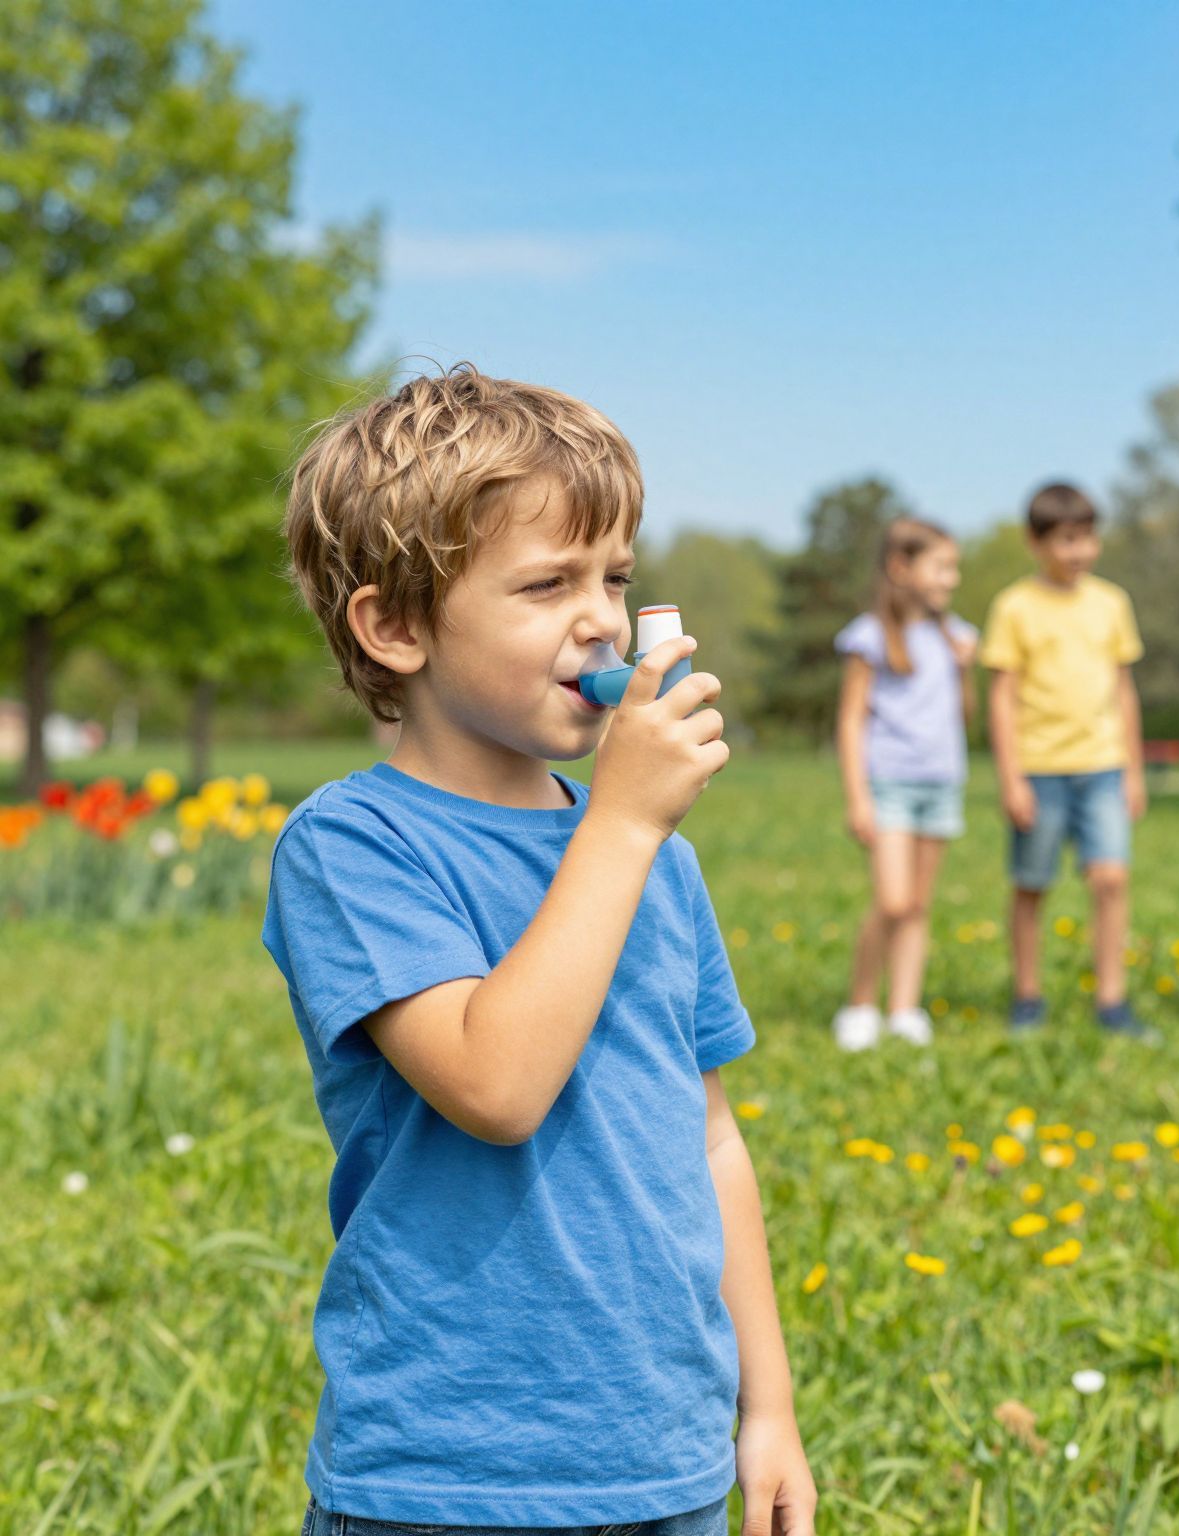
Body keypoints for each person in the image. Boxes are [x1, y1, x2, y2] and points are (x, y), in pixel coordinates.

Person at [264, 366, 816, 1535]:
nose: (603, 619)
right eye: (546, 583)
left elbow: (709, 1136)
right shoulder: (355, 844)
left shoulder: (650, 852)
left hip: (663, 1463)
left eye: (613, 577)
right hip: (446, 1474)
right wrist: (618, 824)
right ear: (396, 626)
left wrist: (765, 1409)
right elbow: (495, 1086)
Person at [980, 482, 1150, 1036]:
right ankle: (1027, 996)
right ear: (1035, 542)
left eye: (1087, 538)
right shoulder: (1014, 606)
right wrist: (1011, 779)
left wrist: (1134, 769)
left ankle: (1112, 1001)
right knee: (1032, 885)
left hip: (1103, 764)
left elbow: (1125, 689)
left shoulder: (1112, 602)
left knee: (1111, 880)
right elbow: (1002, 696)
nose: (1079, 551)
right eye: (1066, 540)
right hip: (1039, 768)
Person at [830, 515, 977, 1051]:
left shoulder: (957, 637)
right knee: (891, 901)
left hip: (941, 783)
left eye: (953, 568)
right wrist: (857, 797)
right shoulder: (869, 637)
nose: (950, 579)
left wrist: (965, 671)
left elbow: (966, 715)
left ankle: (905, 1009)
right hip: (888, 783)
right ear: (901, 567)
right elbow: (850, 721)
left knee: (917, 903)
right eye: (941, 566)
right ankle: (861, 1003)